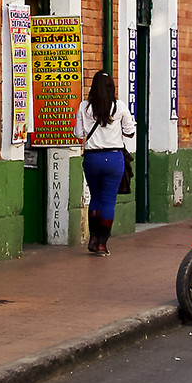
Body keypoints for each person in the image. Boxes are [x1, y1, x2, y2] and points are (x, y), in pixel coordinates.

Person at [73, 69, 136, 255]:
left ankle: (92, 238)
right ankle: (102, 243)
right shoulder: (120, 107)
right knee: (109, 200)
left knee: (96, 198)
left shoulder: (84, 107)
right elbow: (130, 132)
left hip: (92, 158)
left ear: (94, 87)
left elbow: (78, 134)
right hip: (114, 159)